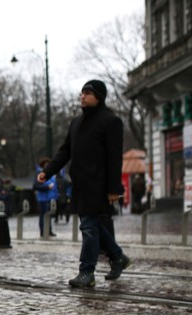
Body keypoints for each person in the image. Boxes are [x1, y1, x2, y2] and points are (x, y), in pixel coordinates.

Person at [38, 79, 131, 288]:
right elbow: (65, 151)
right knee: (94, 225)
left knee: (89, 227)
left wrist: (114, 188)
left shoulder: (110, 121)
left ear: (98, 97)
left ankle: (86, 271)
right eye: (82, 93)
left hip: (100, 184)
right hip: (80, 184)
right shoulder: (76, 123)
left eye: (88, 93)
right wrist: (48, 171)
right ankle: (118, 257)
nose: (83, 96)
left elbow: (115, 157)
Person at [33, 157, 58, 237]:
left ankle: (49, 230)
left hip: (50, 197)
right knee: (43, 214)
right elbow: (36, 185)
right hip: (43, 198)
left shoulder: (49, 174)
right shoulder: (40, 173)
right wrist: (47, 187)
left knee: (48, 214)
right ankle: (43, 230)